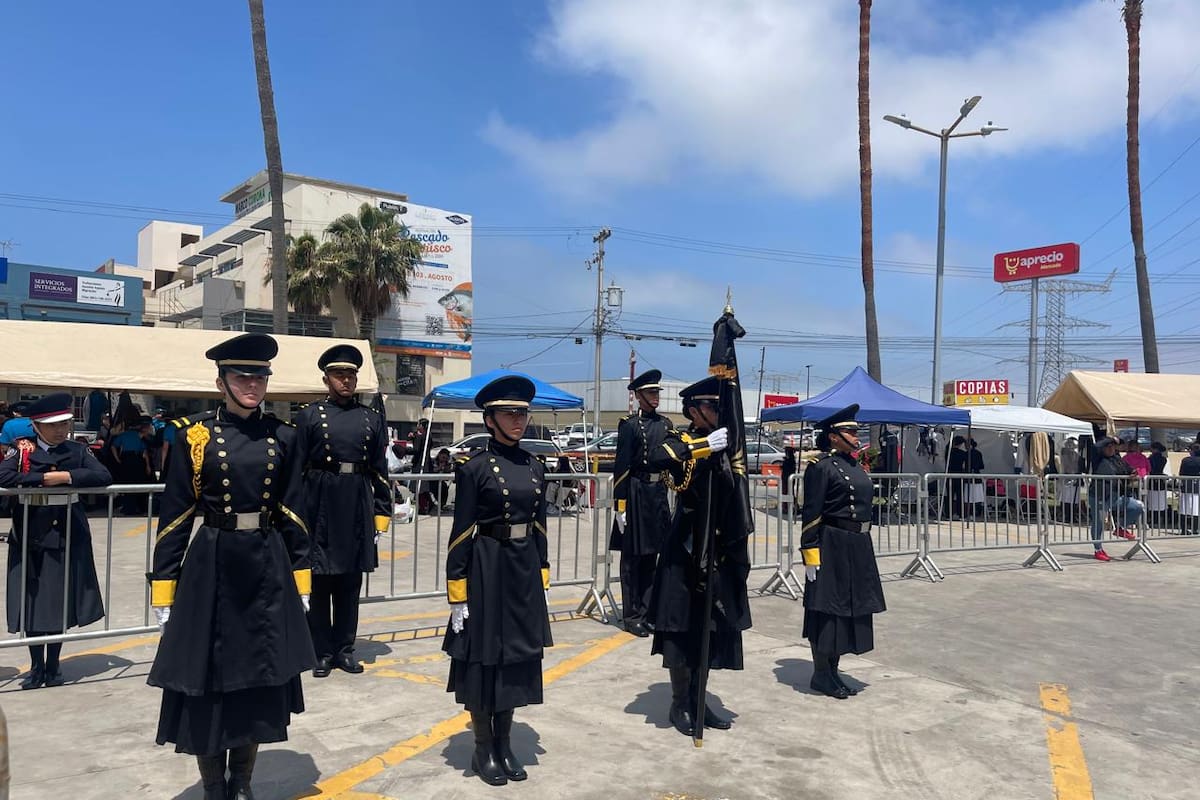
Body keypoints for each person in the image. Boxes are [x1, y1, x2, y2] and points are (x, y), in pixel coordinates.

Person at [146, 333, 314, 800]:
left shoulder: (283, 435)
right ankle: (214, 785)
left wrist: (302, 577)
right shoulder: (194, 436)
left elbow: (294, 510)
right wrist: (165, 586)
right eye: (242, 376)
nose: (252, 385)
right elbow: (176, 515)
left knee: (260, 675)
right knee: (210, 678)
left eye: (260, 376)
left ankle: (242, 781)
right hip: (213, 561)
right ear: (220, 381)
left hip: (265, 561)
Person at [442, 375, 552, 786]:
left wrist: (542, 570)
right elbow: (460, 531)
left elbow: (539, 526)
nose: (518, 420)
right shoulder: (473, 469)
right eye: (509, 413)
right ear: (490, 420)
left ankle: (505, 744)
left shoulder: (535, 465)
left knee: (515, 659)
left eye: (523, 413)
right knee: (484, 658)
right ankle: (483, 748)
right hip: (487, 568)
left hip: (522, 569)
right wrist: (457, 589)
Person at [644, 376, 745, 737]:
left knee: (709, 629)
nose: (718, 413)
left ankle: (699, 702)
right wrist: (703, 446)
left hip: (716, 549)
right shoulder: (682, 441)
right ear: (692, 411)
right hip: (686, 550)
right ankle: (678, 704)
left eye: (720, 407)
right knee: (682, 630)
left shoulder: (729, 447)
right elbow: (658, 459)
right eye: (711, 407)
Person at [291, 344, 391, 678]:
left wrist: (381, 512)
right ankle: (321, 651)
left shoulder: (371, 418)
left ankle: (345, 649)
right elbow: (297, 468)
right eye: (339, 375)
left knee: (349, 584)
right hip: (318, 501)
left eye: (350, 375)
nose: (345, 380)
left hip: (356, 502)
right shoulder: (308, 416)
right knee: (319, 581)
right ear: (326, 379)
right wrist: (295, 515)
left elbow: (379, 470)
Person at [0, 393, 111, 690]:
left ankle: (53, 664)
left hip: (67, 533)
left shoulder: (77, 450)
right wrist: (48, 479)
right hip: (32, 534)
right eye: (52, 425)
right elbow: (5, 477)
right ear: (36, 426)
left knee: (60, 601)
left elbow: (102, 475)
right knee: (33, 603)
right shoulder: (22, 450)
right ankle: (36, 665)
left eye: (64, 423)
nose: (60, 430)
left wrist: (66, 475)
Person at [800, 403, 886, 699]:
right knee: (827, 610)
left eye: (854, 430)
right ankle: (821, 674)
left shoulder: (855, 465)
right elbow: (811, 514)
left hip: (857, 545)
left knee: (848, 609)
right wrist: (811, 555)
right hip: (832, 544)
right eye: (848, 431)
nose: (854, 434)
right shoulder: (822, 467)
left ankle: (834, 671)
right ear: (833, 436)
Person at [611, 369, 675, 637]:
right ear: (638, 396)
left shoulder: (666, 424)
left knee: (653, 556)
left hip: (658, 493)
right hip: (636, 493)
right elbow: (622, 467)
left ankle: (649, 611)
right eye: (650, 393)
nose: (655, 397)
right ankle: (632, 614)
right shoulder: (629, 425)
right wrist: (620, 506)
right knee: (633, 559)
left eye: (657, 392)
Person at [1087, 437, 1143, 561]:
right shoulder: (1098, 458)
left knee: (1138, 506)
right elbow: (1095, 446)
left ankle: (1120, 528)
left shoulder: (1117, 459)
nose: (1111, 448)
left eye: (1113, 446)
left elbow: (1128, 469)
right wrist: (1111, 439)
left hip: (1115, 496)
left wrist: (1133, 472)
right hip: (1098, 495)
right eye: (1108, 446)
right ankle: (1098, 549)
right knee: (1099, 522)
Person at [1146, 441, 1170, 528]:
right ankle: (1162, 519)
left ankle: (1153, 520)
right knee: (1161, 502)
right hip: (1161, 481)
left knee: (1152, 502)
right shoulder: (1164, 459)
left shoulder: (1150, 459)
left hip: (1152, 480)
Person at [1179, 442, 1200, 536]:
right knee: (1196, 509)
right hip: (1197, 486)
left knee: (1184, 509)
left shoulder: (1185, 460)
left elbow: (1181, 472)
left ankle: (1183, 529)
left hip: (1186, 485)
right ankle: (1195, 529)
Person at [780, 446, 798, 518]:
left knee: (788, 492)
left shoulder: (790, 460)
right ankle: (786, 507)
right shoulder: (788, 459)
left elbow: (788, 468)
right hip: (785, 478)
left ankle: (789, 507)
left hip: (788, 478)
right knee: (787, 492)